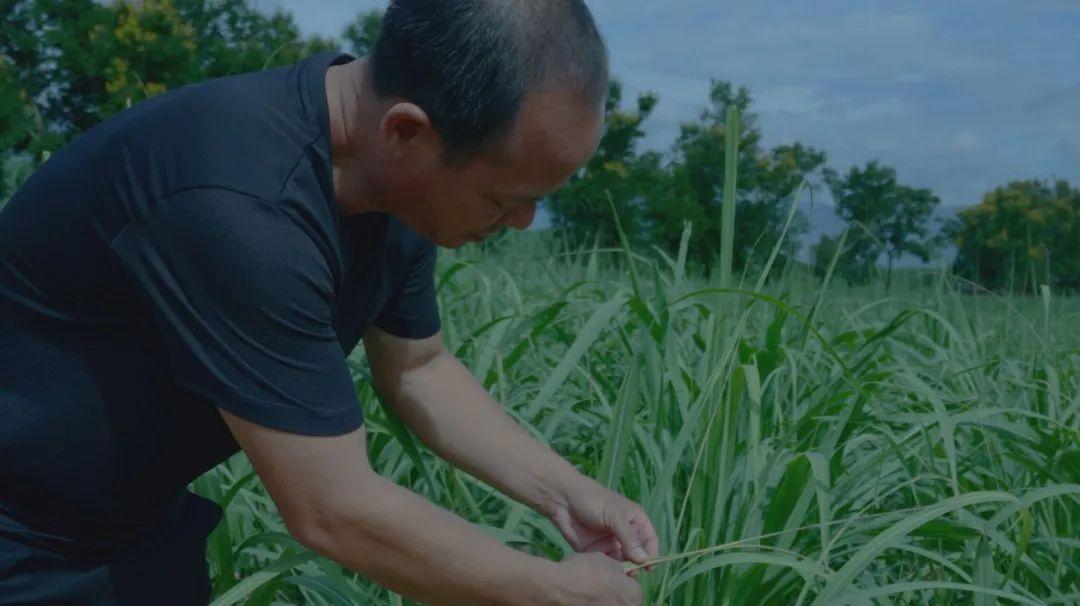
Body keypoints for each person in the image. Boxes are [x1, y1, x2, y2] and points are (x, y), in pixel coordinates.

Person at [0, 0, 660, 604]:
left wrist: (568, 494)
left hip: (127, 524)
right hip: (21, 534)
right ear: (407, 132)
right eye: (504, 197)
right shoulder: (240, 207)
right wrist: (552, 591)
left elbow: (418, 370)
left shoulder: (394, 183)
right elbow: (332, 508)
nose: (522, 223)